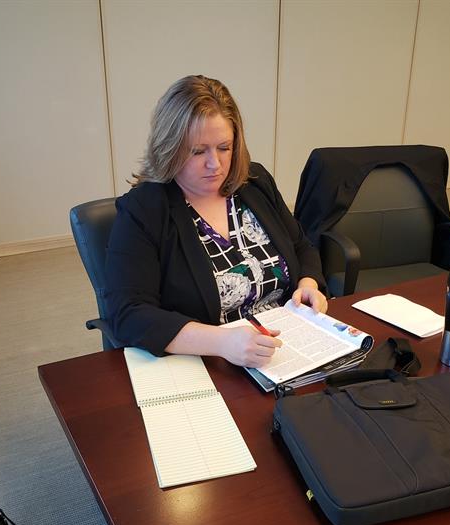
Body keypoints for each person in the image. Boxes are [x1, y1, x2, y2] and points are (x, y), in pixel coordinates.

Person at [105, 75, 327, 368]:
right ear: (170, 148)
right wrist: (222, 342)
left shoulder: (255, 183)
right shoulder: (144, 209)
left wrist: (309, 284)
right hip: (208, 361)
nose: (215, 164)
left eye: (224, 147)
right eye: (198, 151)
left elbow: (301, 246)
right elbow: (128, 313)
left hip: (287, 349)